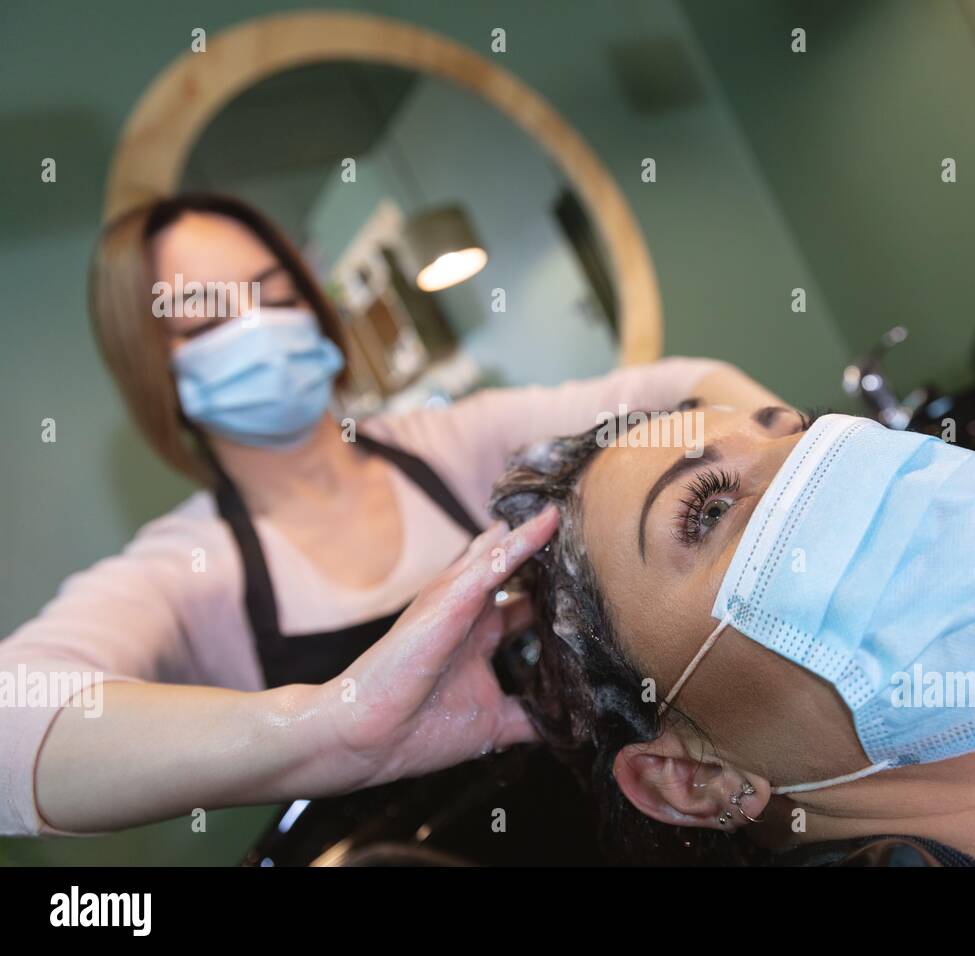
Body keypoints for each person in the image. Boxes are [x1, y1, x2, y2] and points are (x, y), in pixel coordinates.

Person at [0, 192, 778, 837]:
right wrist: (325, 726)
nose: (260, 328)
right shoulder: (186, 569)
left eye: (274, 294)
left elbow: (688, 387)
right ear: (155, 367)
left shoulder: (452, 444)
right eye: (207, 319)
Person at [487, 402, 975, 865]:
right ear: (691, 778)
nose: (829, 456)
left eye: (792, 428)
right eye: (707, 506)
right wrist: (349, 744)